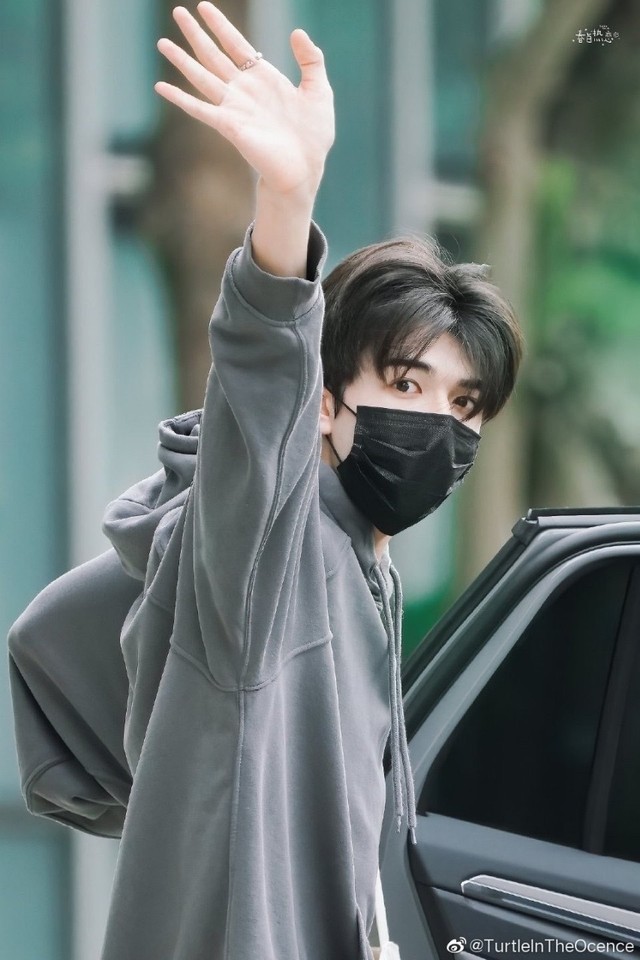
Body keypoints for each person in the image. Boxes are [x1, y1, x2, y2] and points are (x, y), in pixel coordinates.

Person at [7, 4, 524, 958]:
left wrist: (187, 783)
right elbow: (257, 397)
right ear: (324, 402)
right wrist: (287, 201)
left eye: (465, 406)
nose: (440, 426)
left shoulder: (359, 570)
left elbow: (49, 634)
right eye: (405, 384)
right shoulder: (277, 548)